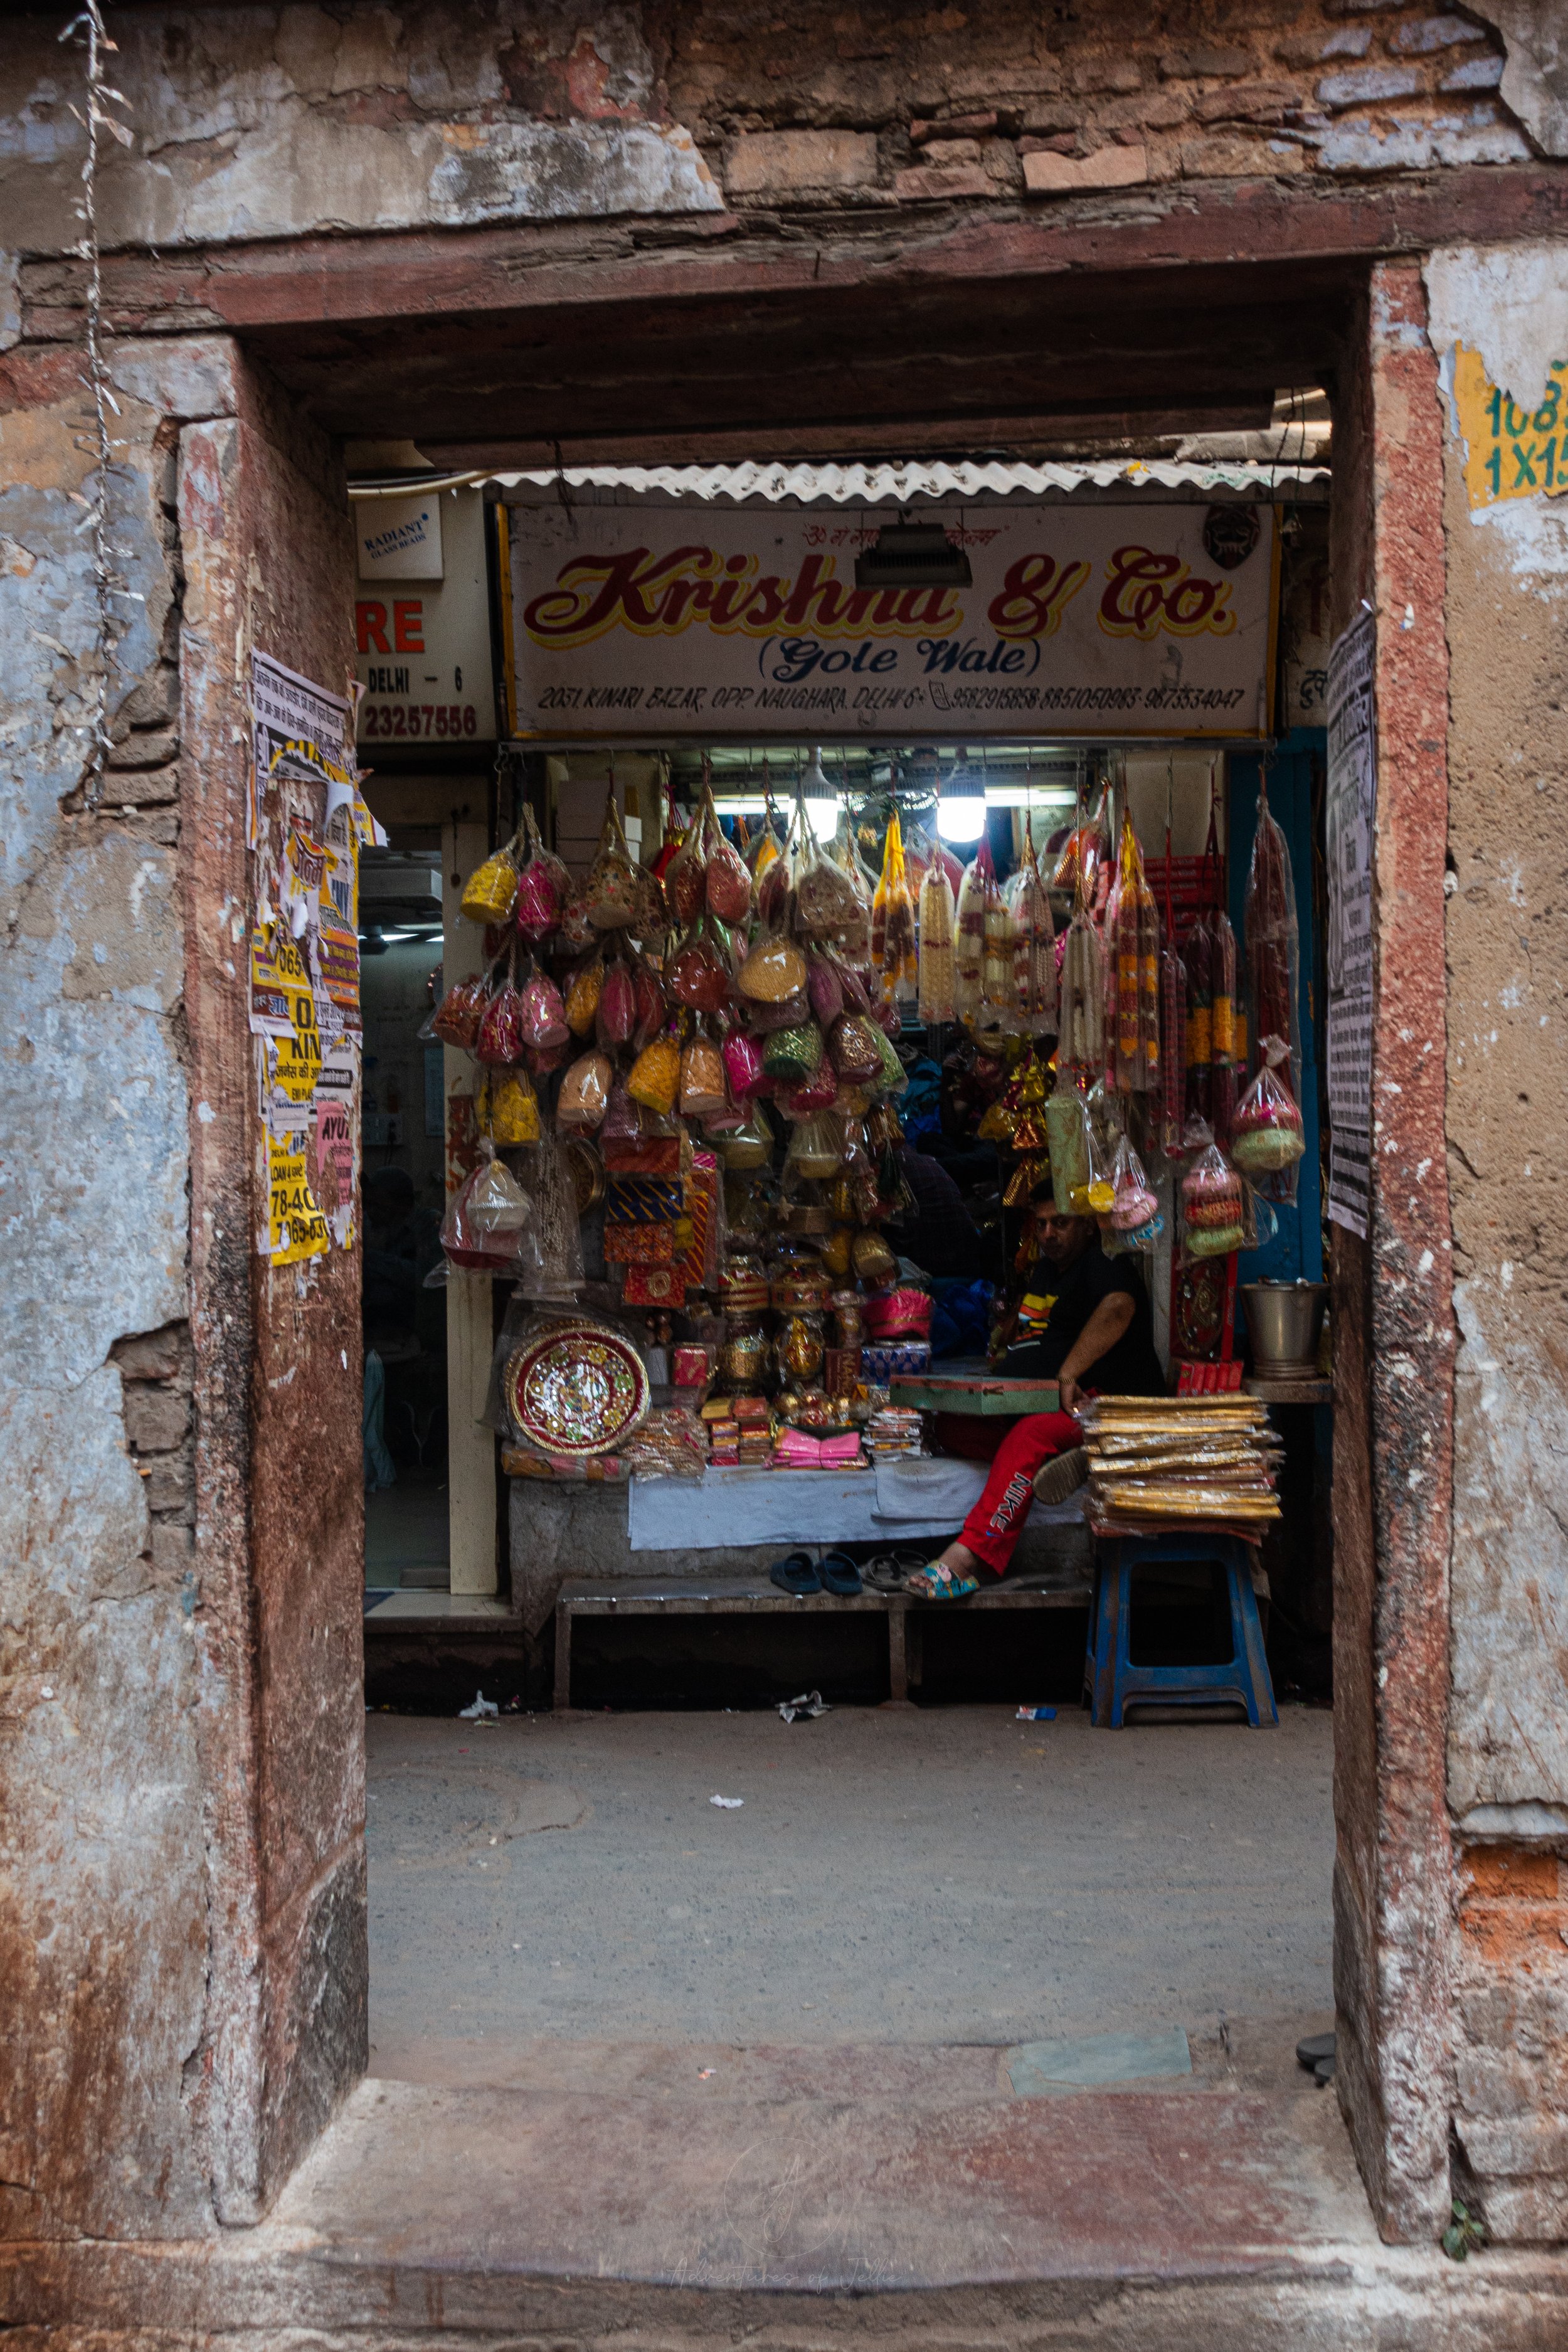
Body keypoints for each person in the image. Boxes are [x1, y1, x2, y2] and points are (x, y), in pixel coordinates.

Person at [907, 1185, 1165, 1598]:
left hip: (1100, 1405)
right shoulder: (1046, 1271)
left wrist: (1068, 1374)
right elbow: (1034, 1330)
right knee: (950, 1426)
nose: (1048, 1234)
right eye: (1041, 1224)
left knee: (1030, 1438)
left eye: (1060, 1223)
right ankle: (1071, 1458)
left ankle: (969, 1555)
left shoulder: (1101, 1262)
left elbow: (1119, 1307)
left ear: (1085, 1225)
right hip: (1039, 1401)